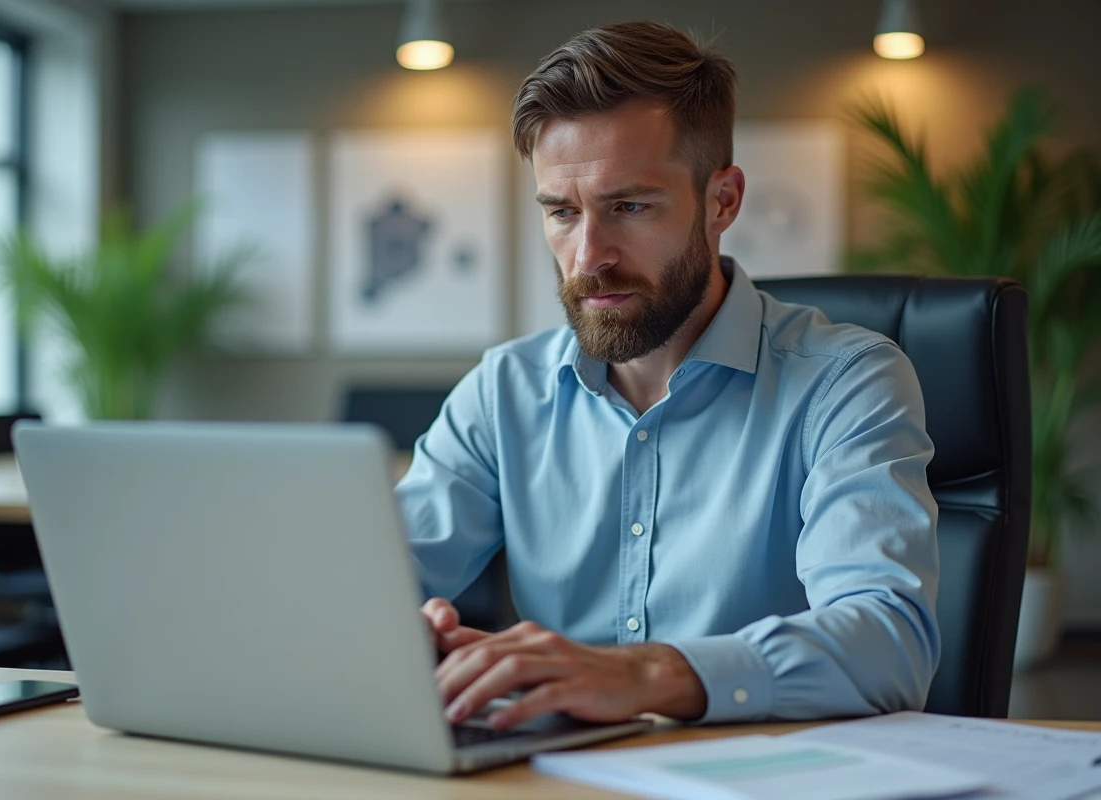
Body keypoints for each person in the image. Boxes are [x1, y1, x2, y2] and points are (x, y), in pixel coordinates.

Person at [397, 20, 939, 732]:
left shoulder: (847, 383)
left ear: (723, 201)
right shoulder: (503, 392)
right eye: (562, 212)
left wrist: (645, 675)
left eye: (629, 207)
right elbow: (373, 584)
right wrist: (399, 631)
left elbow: (889, 645)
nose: (589, 255)